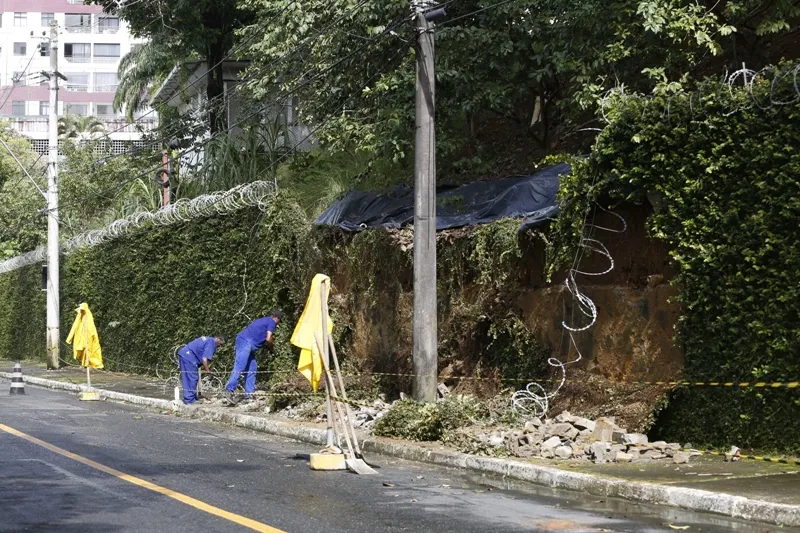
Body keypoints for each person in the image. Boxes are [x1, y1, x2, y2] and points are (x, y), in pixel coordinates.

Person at [224, 311, 282, 404]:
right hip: (245, 342)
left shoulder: (264, 321)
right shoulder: (271, 322)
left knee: (252, 368)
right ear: (277, 318)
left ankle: (249, 395)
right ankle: (229, 390)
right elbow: (268, 338)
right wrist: (272, 349)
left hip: (248, 344)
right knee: (240, 366)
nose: (277, 325)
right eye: (279, 322)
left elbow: (260, 337)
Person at [177, 335, 226, 404]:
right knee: (192, 378)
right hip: (189, 357)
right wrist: (208, 371)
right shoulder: (211, 343)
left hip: (184, 354)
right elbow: (204, 359)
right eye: (221, 344)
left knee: (187, 377)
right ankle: (190, 400)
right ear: (218, 339)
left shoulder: (208, 339)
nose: (220, 346)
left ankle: (191, 398)